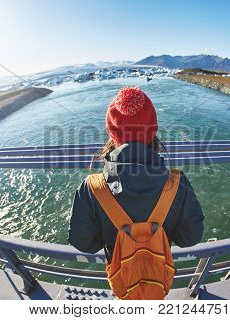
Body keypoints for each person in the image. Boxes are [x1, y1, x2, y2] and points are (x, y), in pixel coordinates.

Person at [68, 87, 204, 299]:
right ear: (153, 131)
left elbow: (84, 243)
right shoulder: (178, 183)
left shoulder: (91, 188)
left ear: (111, 133)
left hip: (123, 280)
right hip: (158, 279)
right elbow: (190, 237)